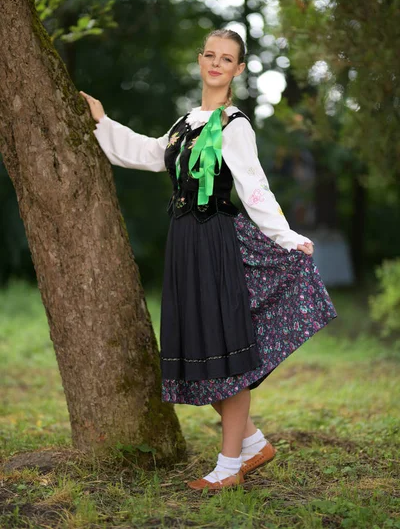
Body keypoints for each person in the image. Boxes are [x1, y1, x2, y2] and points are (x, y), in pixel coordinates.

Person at [80, 28, 337, 491]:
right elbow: (147, 153)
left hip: (218, 244)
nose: (217, 63)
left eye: (227, 59)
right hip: (184, 246)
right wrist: (102, 122)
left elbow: (254, 187)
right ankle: (254, 443)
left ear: (238, 69)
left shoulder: (234, 125)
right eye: (210, 55)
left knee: (225, 351)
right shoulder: (186, 122)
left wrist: (285, 235)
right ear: (200, 60)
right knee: (198, 350)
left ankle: (229, 464)